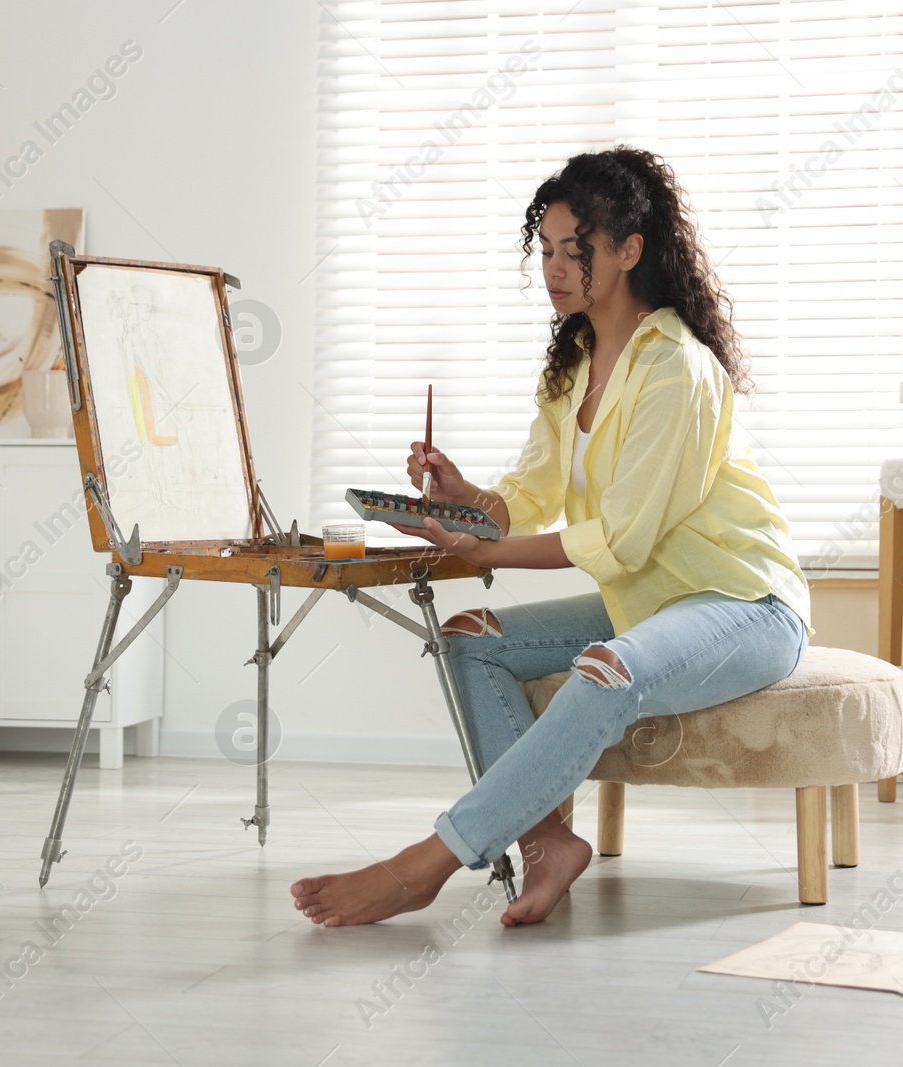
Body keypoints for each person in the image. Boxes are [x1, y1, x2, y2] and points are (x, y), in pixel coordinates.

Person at [291, 146, 812, 928]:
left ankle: (422, 865)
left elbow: (623, 539)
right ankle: (547, 844)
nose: (556, 269)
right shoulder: (573, 362)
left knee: (606, 669)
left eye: (578, 251)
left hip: (746, 603)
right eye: (546, 250)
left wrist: (489, 554)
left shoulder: (676, 368)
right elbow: (532, 493)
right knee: (471, 636)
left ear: (630, 252)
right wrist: (465, 499)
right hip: (649, 604)